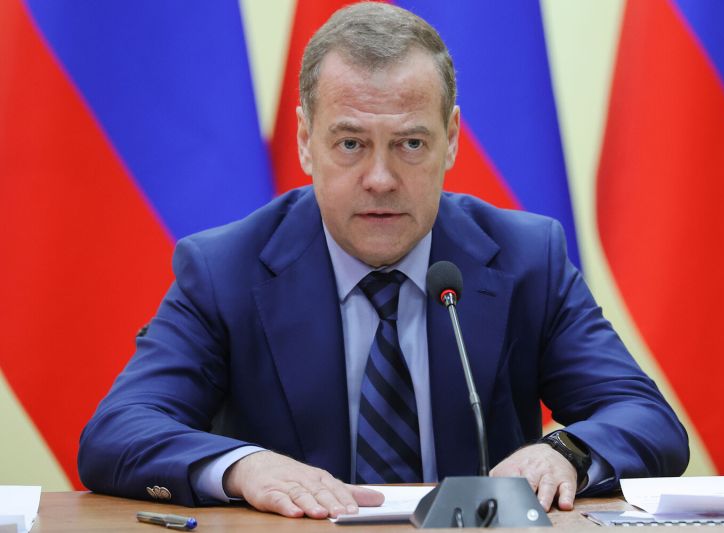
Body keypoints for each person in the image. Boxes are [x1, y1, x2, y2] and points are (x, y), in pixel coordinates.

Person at [78, 2, 689, 519]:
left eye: (410, 143)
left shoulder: (527, 258)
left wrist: (565, 453)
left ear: (451, 139)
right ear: (305, 141)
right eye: (350, 143)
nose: (380, 178)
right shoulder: (226, 269)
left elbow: (646, 418)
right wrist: (244, 466)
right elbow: (118, 431)